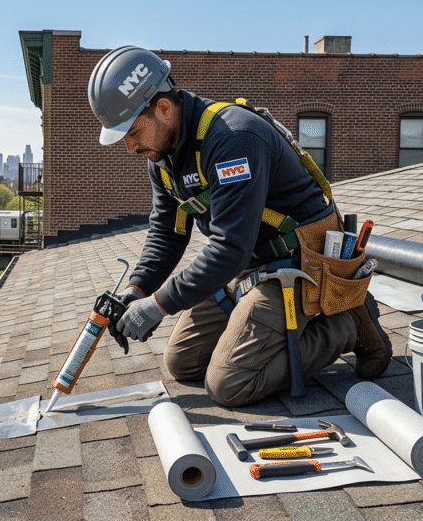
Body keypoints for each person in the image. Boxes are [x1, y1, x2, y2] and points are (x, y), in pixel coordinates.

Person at [88, 46, 391, 407]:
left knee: (229, 385)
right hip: (250, 264)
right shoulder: (163, 158)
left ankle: (345, 324)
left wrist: (158, 306)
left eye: (133, 132)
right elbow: (168, 233)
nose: (129, 146)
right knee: (183, 363)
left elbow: (230, 248)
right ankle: (276, 329)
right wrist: (137, 292)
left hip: (300, 262)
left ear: (164, 109)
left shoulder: (234, 138)